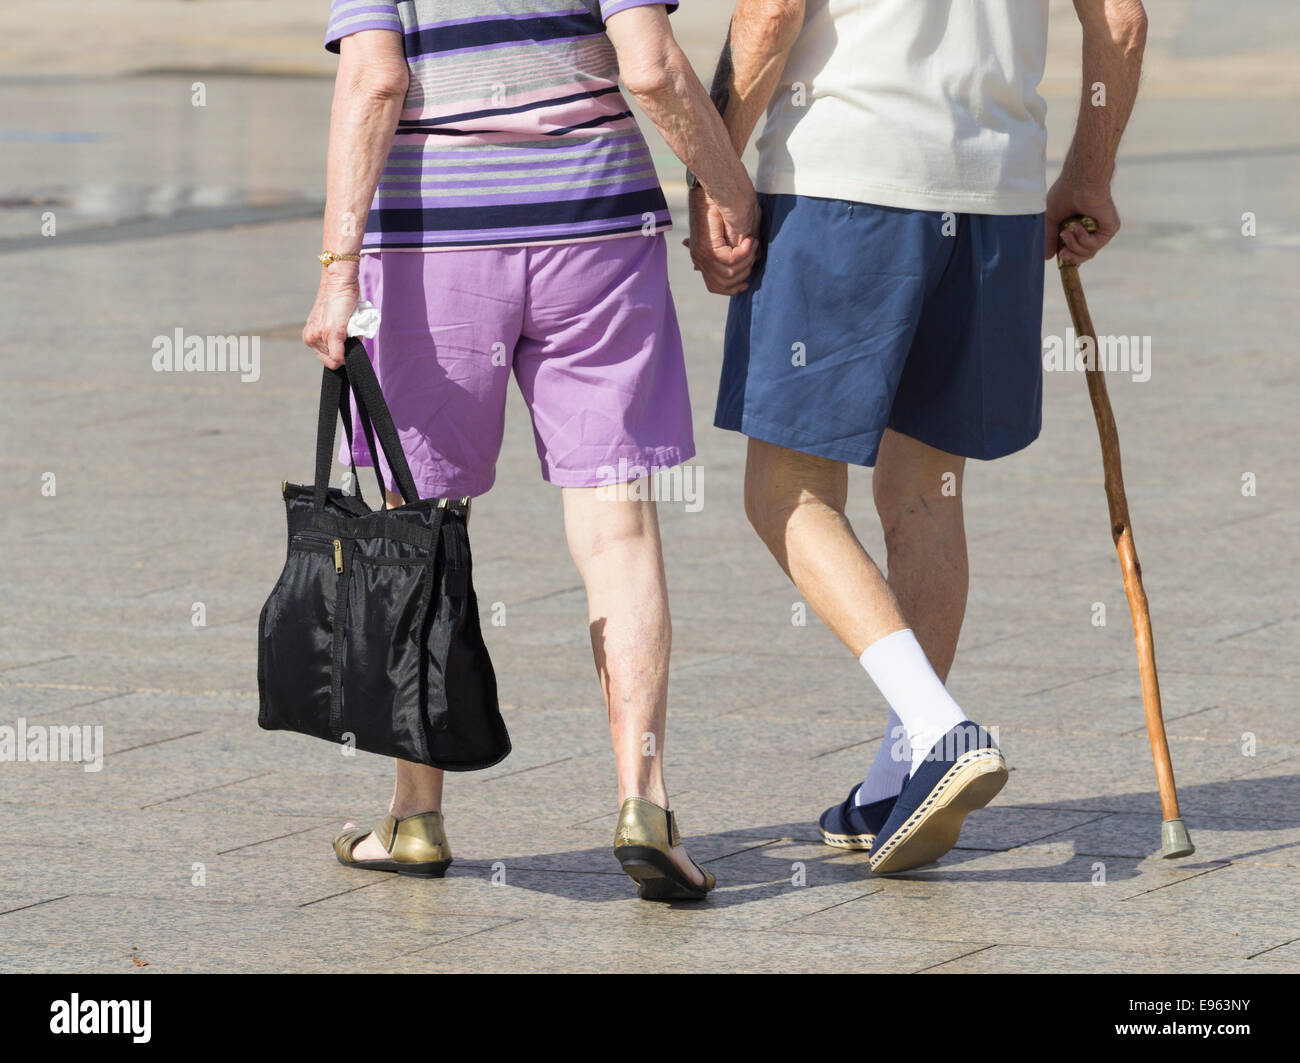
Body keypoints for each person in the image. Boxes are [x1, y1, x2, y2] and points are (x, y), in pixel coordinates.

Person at [303, 0, 759, 900]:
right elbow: (651, 66)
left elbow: (375, 78)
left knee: (414, 527)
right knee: (617, 526)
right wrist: (727, 186)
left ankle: (415, 813)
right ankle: (645, 803)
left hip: (436, 244)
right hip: (596, 235)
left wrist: (337, 271)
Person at [690, 0, 1148, 872]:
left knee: (785, 490)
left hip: (844, 175)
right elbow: (1120, 23)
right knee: (926, 492)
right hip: (995, 190)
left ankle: (937, 728)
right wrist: (1089, 174)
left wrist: (712, 170)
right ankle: (899, 775)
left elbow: (772, 12)